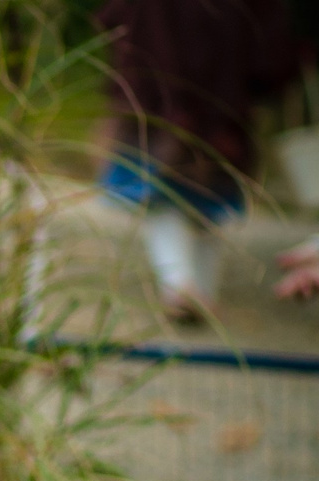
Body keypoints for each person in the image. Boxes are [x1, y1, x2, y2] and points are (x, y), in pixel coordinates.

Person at [95, 0, 301, 321]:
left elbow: (116, 20)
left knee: (165, 198)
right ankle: (194, 290)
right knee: (201, 203)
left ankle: (183, 287)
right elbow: (271, 52)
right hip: (216, 104)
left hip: (160, 101)